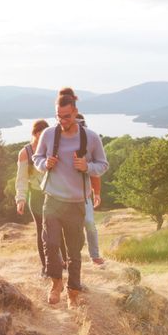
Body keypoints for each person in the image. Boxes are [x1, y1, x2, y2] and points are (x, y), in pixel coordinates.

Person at [32, 88, 109, 308]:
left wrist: (87, 166)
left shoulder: (91, 137)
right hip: (53, 198)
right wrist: (44, 164)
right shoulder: (49, 135)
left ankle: (73, 290)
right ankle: (56, 282)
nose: (62, 120)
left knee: (74, 251)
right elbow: (37, 158)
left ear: (75, 112)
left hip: (76, 202)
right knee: (50, 242)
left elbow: (103, 165)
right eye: (58, 116)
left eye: (66, 116)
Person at [14, 120, 68, 276]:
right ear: (36, 134)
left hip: (55, 194)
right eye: (43, 133)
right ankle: (46, 267)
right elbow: (21, 179)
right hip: (36, 195)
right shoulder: (25, 153)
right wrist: (20, 199)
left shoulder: (53, 149)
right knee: (42, 231)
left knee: (59, 229)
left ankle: (66, 262)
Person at [76, 114, 105, 266]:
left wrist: (97, 192)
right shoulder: (60, 143)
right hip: (64, 195)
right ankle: (70, 257)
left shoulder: (89, 145)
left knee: (89, 223)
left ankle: (94, 255)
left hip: (85, 193)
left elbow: (95, 171)